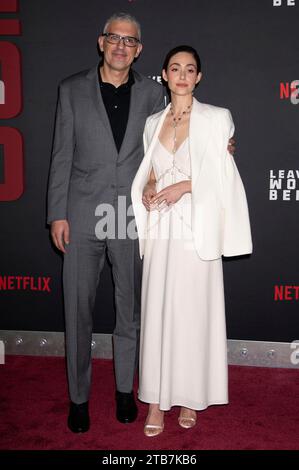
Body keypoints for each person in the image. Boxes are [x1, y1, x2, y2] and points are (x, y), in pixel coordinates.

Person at [48, 12, 235, 433]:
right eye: (114, 38)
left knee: (130, 309)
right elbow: (60, 154)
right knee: (77, 310)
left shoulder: (154, 96)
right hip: (81, 213)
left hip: (133, 216)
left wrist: (222, 147)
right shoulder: (71, 89)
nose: (121, 46)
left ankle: (124, 393)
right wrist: (56, 213)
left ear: (139, 50)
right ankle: (79, 399)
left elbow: (180, 140)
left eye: (129, 41)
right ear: (101, 42)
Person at [131, 45, 252, 436]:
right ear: (164, 75)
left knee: (193, 317)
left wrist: (184, 186)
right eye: (175, 68)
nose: (182, 75)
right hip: (163, 232)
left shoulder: (218, 119)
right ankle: (154, 401)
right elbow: (148, 170)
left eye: (190, 69)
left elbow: (225, 179)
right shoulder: (152, 122)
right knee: (158, 314)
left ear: (198, 77)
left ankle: (188, 398)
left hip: (197, 232)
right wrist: (150, 187)